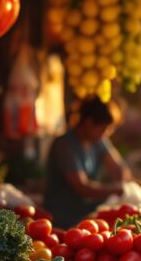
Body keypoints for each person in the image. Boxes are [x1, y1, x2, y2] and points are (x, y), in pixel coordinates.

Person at [44, 98, 130, 229]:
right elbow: (82, 188)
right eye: (103, 129)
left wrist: (121, 179)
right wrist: (117, 190)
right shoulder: (65, 144)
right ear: (89, 123)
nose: (105, 133)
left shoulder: (98, 141)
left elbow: (118, 168)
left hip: (87, 215)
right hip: (63, 219)